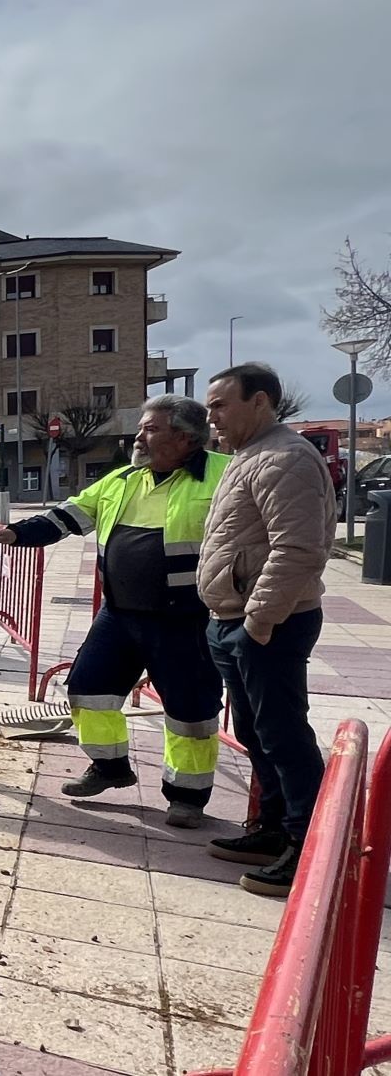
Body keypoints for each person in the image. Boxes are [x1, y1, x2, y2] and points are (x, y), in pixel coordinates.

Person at [0, 395, 229, 827]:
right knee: (87, 690)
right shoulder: (122, 479)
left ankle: (187, 796)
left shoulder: (223, 477)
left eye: (150, 428)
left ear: (184, 437)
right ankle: (110, 768)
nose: (139, 436)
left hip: (187, 619)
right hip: (121, 614)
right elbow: (66, 518)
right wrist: (11, 533)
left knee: (191, 713)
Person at [198, 363, 335, 896]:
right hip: (234, 621)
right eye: (210, 407)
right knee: (258, 734)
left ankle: (310, 849)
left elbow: (299, 548)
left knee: (283, 736)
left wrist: (258, 620)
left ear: (260, 402)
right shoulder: (246, 456)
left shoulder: (285, 458)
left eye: (220, 405)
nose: (213, 416)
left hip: (270, 625)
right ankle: (274, 830)